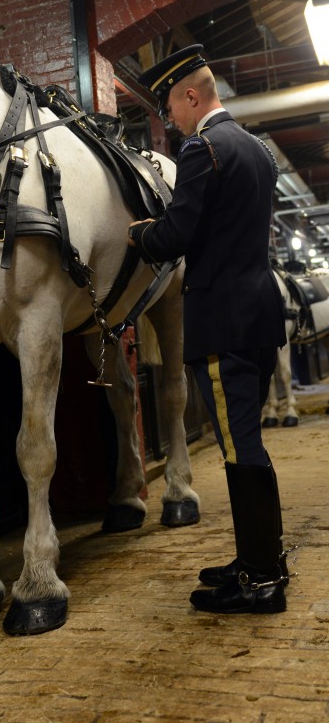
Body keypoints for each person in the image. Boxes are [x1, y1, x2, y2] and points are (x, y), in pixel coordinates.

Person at [127, 43, 290, 615]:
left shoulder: (203, 150)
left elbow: (178, 235)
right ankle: (256, 560)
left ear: (191, 96)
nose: (169, 120)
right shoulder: (255, 149)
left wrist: (140, 233)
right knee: (243, 442)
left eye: (170, 107)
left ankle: (263, 579)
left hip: (223, 322)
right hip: (259, 312)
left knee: (242, 447)